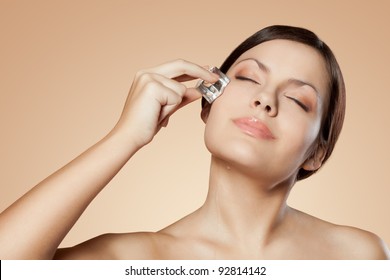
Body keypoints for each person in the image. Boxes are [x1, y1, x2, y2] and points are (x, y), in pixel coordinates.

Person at [0, 25, 389, 260]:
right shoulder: (138, 259)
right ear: (208, 103)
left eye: (297, 99)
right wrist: (125, 137)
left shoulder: (357, 256)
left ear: (317, 154)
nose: (264, 100)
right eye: (249, 78)